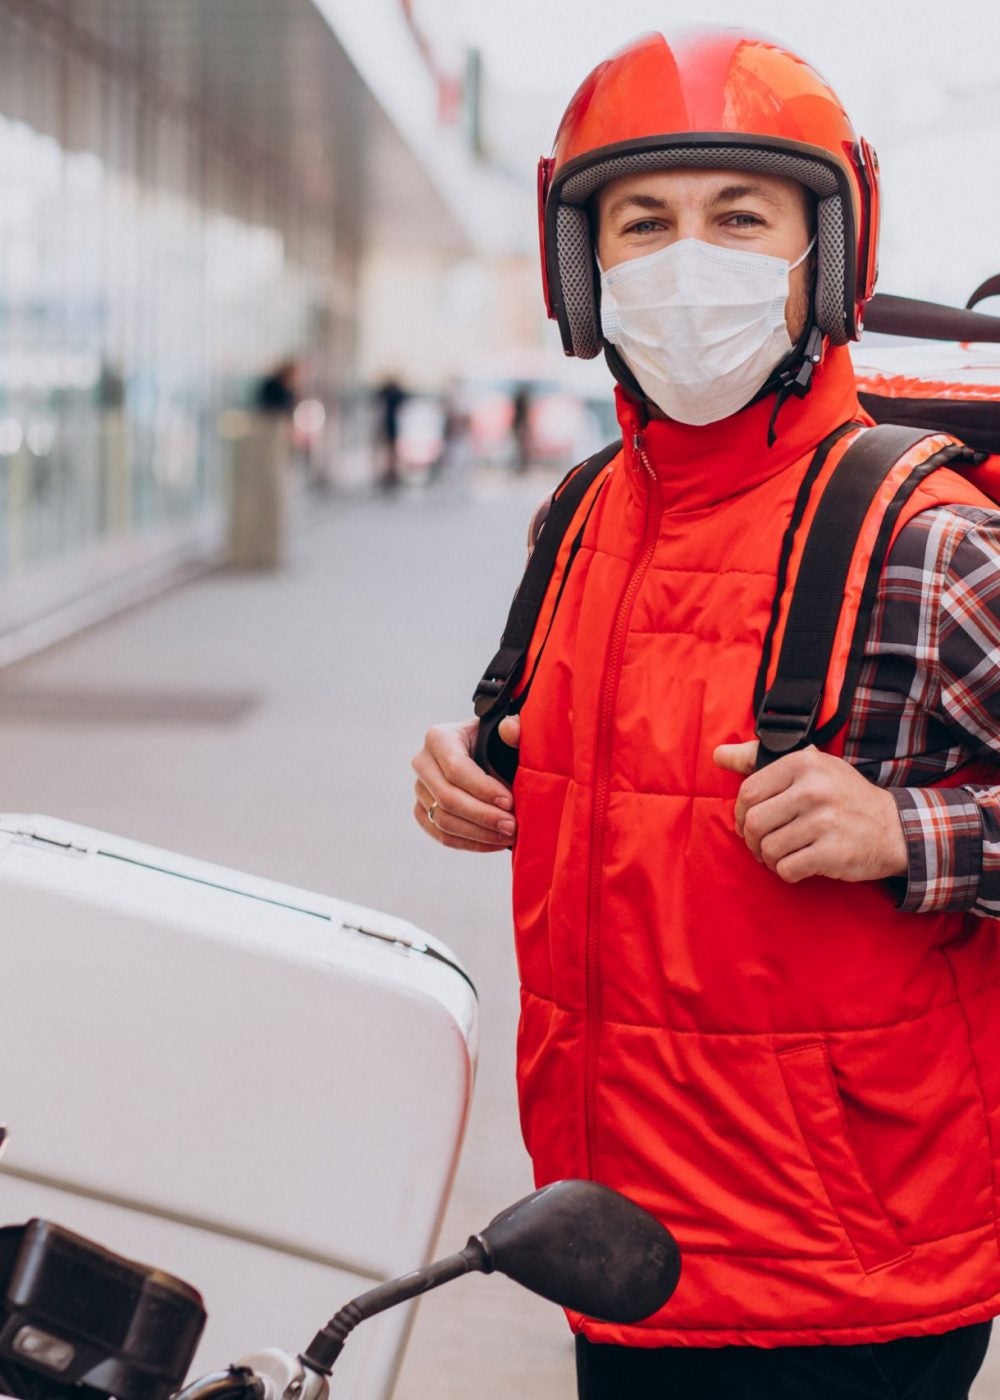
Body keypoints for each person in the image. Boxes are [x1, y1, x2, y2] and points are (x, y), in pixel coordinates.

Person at [411, 29, 1000, 1400]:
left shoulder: (927, 540)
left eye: (739, 217)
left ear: (825, 252)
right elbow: (586, 773)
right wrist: (476, 774)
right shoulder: (582, 512)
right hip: (614, 1244)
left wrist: (907, 835)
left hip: (848, 1283)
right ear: (584, 267)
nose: (688, 262)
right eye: (643, 222)